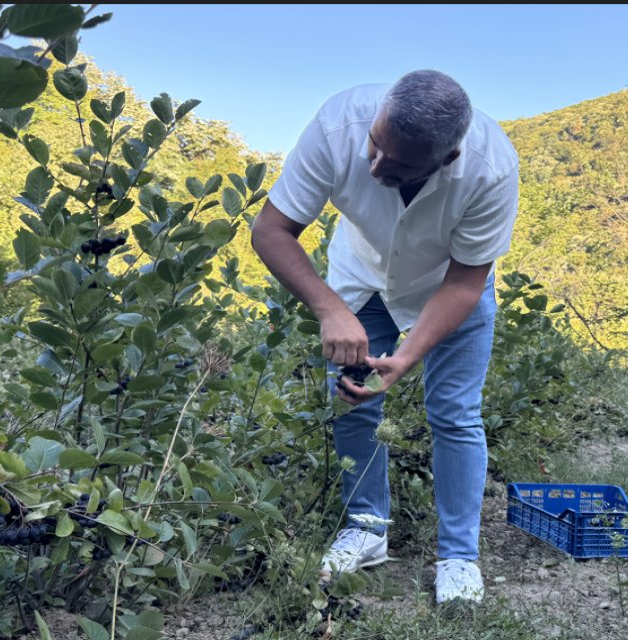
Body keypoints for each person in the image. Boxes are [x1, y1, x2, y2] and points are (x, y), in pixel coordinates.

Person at [249, 69, 519, 604]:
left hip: (449, 287)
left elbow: (466, 280)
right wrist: (329, 308)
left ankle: (459, 558)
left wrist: (409, 354)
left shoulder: (491, 169)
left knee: (455, 412)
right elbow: (270, 230)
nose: (374, 165)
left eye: (395, 165)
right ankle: (367, 530)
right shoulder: (338, 125)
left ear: (447, 159)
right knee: (352, 402)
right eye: (375, 146)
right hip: (360, 278)